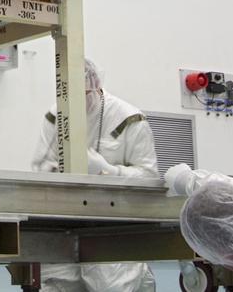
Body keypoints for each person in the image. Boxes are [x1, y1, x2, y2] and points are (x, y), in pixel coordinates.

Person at [30, 59, 156, 292]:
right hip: (63, 225)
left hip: (111, 228)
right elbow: (39, 166)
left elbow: (149, 178)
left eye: (83, 93)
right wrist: (53, 172)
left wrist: (107, 170)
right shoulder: (55, 115)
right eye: (67, 94)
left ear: (96, 83)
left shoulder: (129, 119)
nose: (74, 102)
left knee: (112, 286)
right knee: (54, 285)